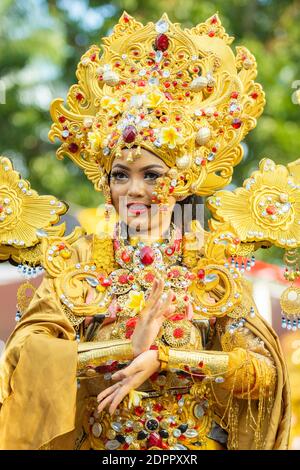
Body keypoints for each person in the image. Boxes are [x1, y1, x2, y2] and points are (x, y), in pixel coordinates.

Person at [0, 12, 291, 450]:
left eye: (152, 174)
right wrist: (122, 351)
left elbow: (264, 375)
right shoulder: (81, 259)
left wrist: (167, 357)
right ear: (106, 183)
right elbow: (24, 358)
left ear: (181, 179)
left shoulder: (206, 258)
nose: (134, 189)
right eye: (121, 174)